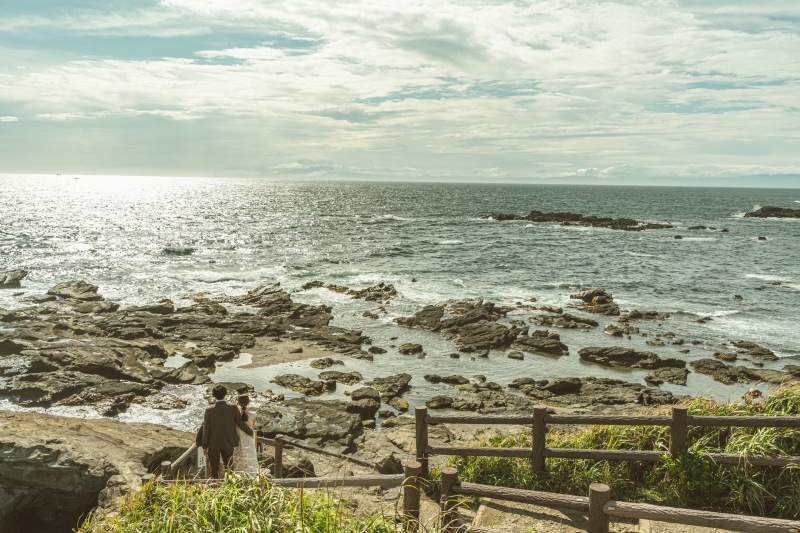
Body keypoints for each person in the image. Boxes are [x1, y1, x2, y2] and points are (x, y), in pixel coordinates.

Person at [201, 384, 254, 478]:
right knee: (229, 466)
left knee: (214, 468)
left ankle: (214, 486)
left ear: (213, 395)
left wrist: (205, 445)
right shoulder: (233, 408)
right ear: (226, 394)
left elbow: (206, 429)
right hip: (228, 441)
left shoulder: (209, 410)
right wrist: (250, 432)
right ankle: (229, 484)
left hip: (213, 443)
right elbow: (240, 423)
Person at [230, 395, 259, 474]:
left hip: (238, 440)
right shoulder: (253, 415)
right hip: (249, 439)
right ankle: (252, 474)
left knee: (239, 459)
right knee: (250, 458)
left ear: (238, 403)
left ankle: (239, 475)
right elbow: (251, 428)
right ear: (249, 402)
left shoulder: (235, 416)